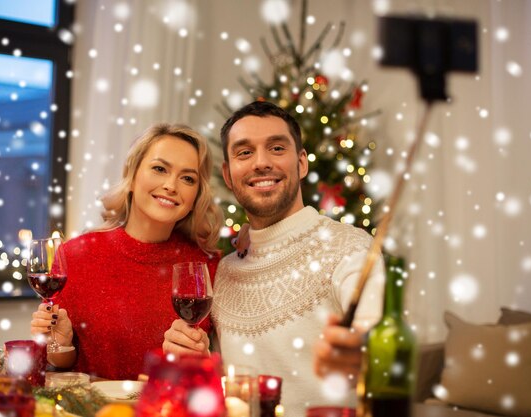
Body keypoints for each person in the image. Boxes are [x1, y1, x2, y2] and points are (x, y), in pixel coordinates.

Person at [163, 101, 384, 414]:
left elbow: (377, 334)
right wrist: (196, 360)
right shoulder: (225, 271)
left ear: (302, 163)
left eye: (277, 148)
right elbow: (226, 389)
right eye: (244, 152)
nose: (261, 163)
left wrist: (365, 344)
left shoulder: (350, 248)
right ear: (227, 174)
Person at [30, 123, 222, 380]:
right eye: (159, 169)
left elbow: (222, 376)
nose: (171, 185)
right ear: (132, 177)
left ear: (196, 195)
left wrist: (201, 361)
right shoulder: (76, 255)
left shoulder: (207, 266)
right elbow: (59, 366)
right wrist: (60, 345)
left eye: (188, 178)